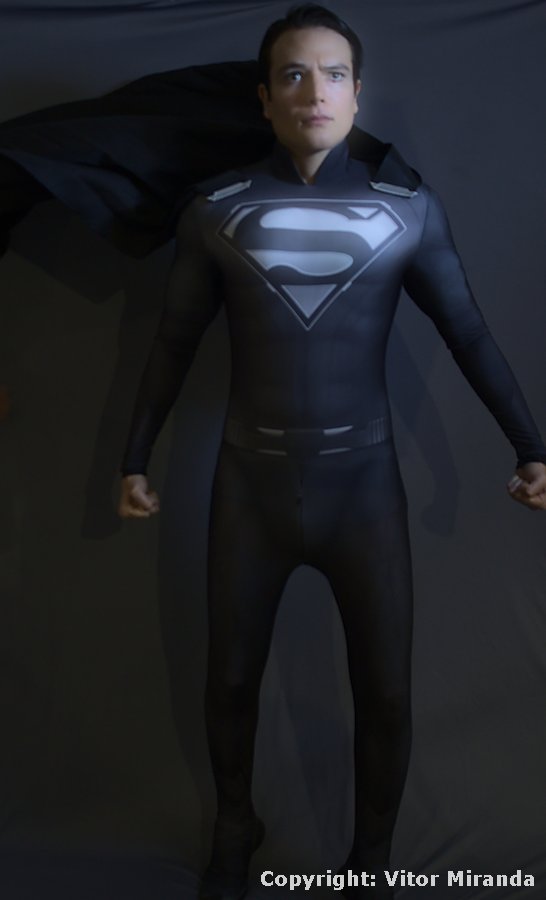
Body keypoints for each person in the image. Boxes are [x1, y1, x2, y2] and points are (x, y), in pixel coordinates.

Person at [118, 5, 546, 898]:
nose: (315, 91)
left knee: (385, 691)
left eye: (334, 74)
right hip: (250, 487)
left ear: (358, 94)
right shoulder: (216, 210)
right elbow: (174, 339)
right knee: (230, 681)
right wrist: (135, 457)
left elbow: (467, 331)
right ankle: (234, 828)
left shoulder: (408, 210)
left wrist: (531, 445)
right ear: (265, 99)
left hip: (364, 491)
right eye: (293, 74)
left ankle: (370, 864)